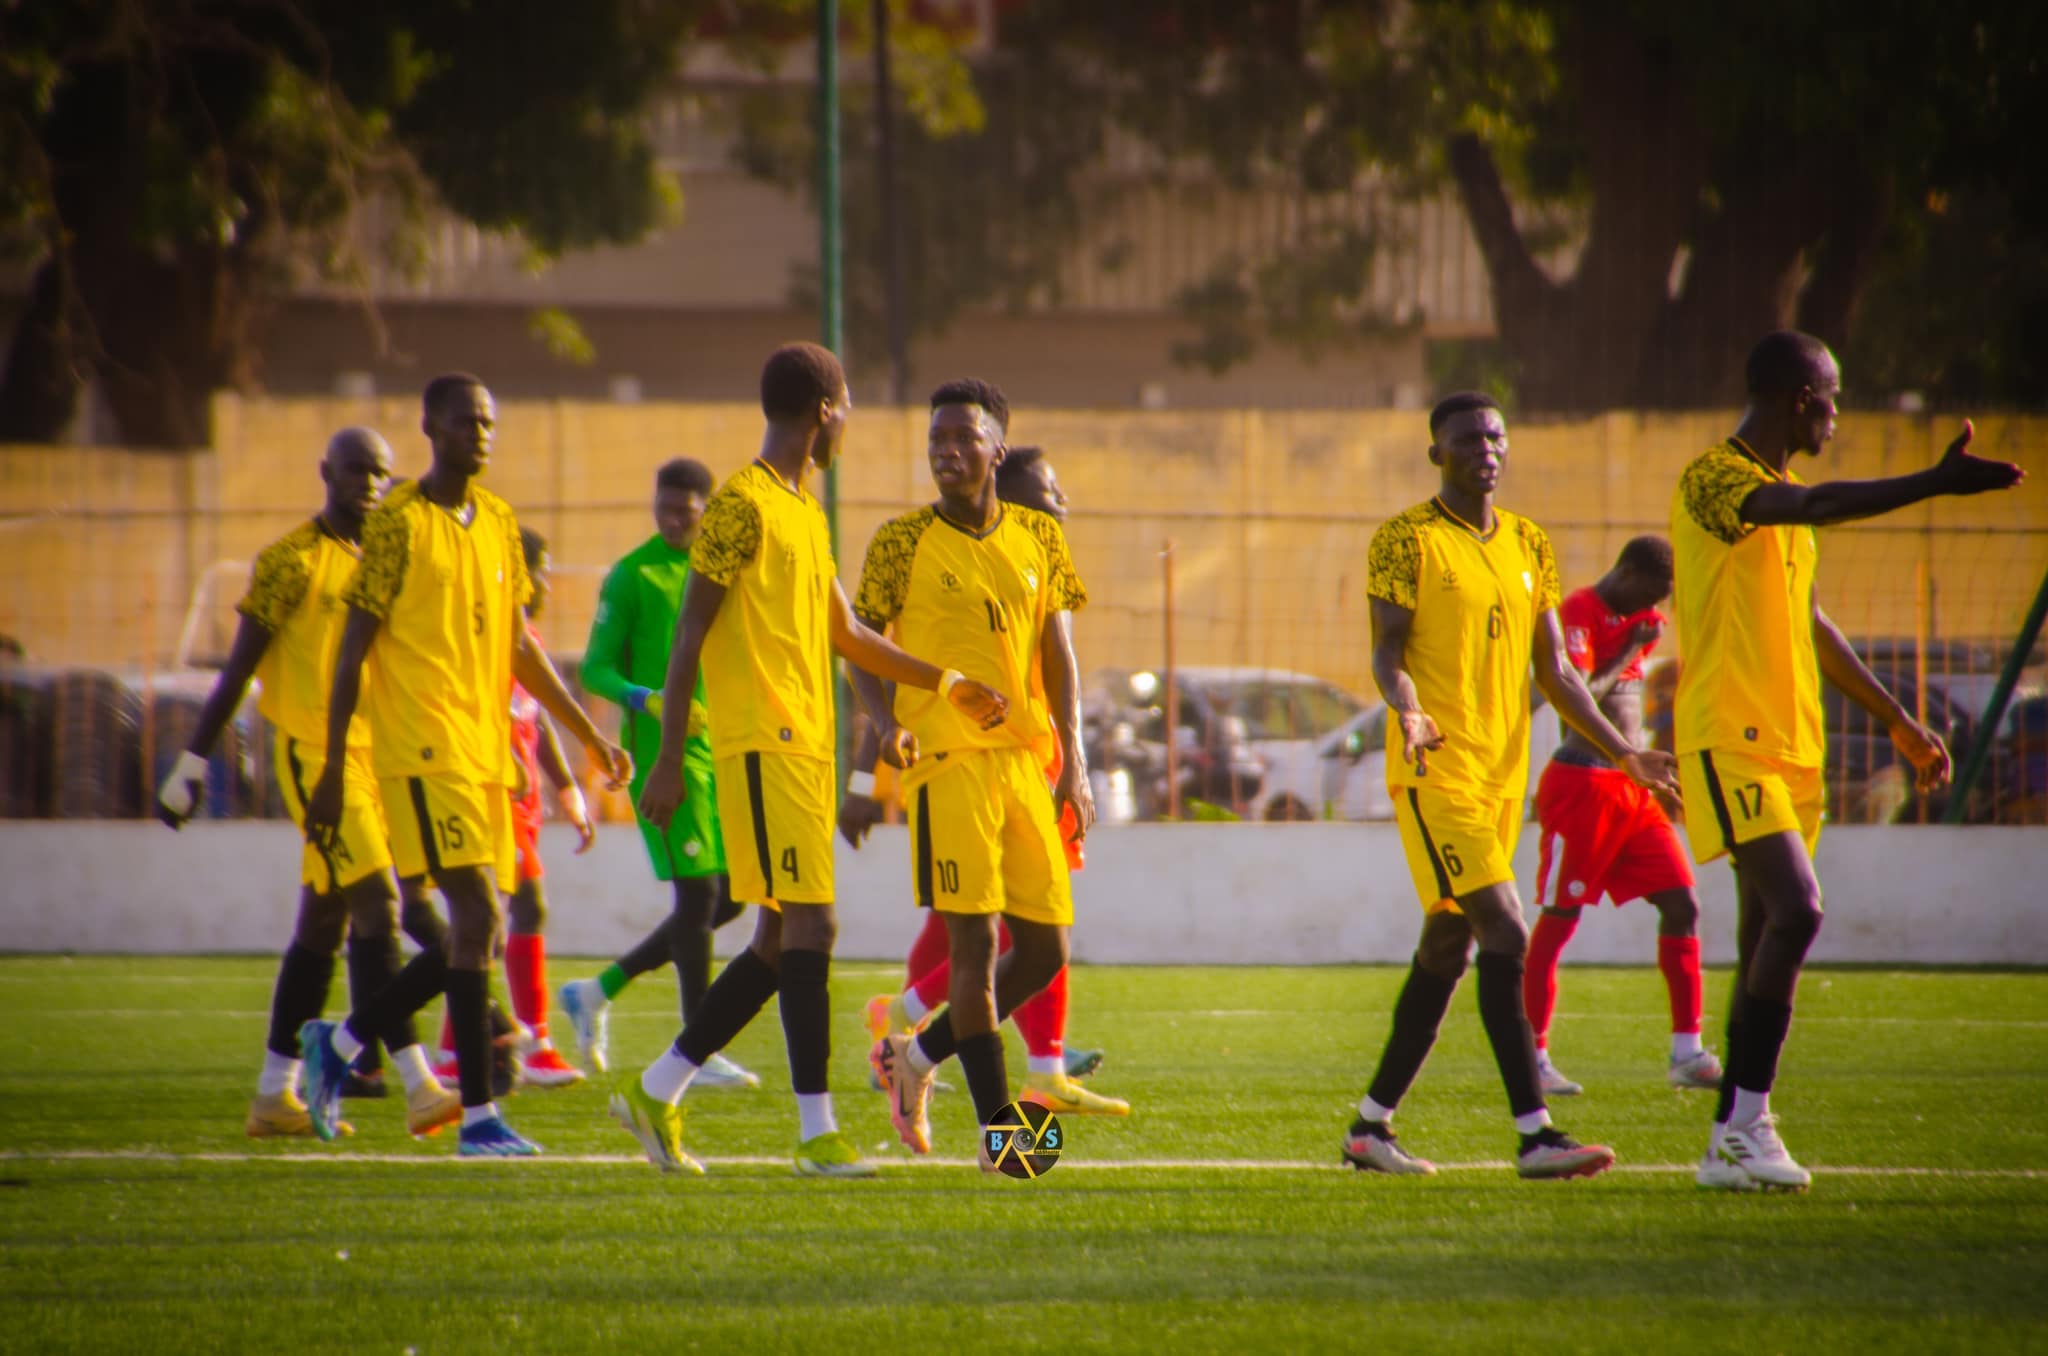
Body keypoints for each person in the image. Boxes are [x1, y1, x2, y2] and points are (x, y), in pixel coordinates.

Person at [610, 342, 1008, 1179]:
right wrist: (670, 759)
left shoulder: (803, 509)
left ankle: (657, 1088)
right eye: (850, 407)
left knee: (773, 942)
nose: (851, 423)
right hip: (760, 746)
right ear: (827, 410)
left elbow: (848, 636)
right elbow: (689, 636)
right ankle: (817, 1133)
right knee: (813, 927)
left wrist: (930, 689)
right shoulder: (741, 505)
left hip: (804, 751)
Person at [1674, 331, 2022, 1191]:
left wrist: (1899, 719)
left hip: (1792, 748)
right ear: (1798, 397)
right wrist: (1935, 484)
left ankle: (1729, 1140)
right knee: (1799, 911)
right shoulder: (1716, 479)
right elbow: (1820, 508)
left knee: (1767, 930)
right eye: (1832, 398)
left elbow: (1811, 624)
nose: (1837, 415)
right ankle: (1749, 1122)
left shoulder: (1782, 497)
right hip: (1730, 737)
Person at [1346, 392, 1680, 1181]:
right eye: (1466, 439)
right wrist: (1410, 708)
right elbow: (1387, 650)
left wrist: (1627, 753)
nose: (1484, 448)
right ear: (1438, 455)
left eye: (1494, 436)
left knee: (1448, 945)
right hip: (1435, 773)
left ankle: (1369, 1129)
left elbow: (1558, 672)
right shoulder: (1405, 540)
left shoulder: (1529, 541)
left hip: (1501, 782)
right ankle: (1536, 1136)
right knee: (1507, 932)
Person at [297, 373, 631, 1157]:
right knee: (477, 916)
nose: (480, 433)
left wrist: (588, 733)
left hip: (485, 759)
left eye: (489, 421)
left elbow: (521, 650)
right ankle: (478, 1120)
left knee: (472, 935)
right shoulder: (398, 525)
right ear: (430, 428)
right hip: (419, 749)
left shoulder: (503, 524)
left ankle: (343, 1045)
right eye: (464, 421)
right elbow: (353, 652)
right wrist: (334, 766)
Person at [156, 429, 462, 1140]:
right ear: (326, 471)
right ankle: (419, 1085)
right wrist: (192, 765)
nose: (371, 483)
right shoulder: (290, 562)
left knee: (322, 924)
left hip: (379, 759)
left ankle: (274, 1093)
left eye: (382, 473)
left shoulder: (388, 560)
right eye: (357, 470)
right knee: (381, 906)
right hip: (315, 762)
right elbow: (237, 671)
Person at [845, 441, 1126, 1116]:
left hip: (1028, 762)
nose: (945, 452)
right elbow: (859, 643)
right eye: (934, 438)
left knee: (1046, 945)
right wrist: (877, 742)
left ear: (993, 451)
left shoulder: (1038, 542)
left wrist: (1076, 765)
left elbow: (1060, 654)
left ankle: (912, 1053)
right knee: (973, 945)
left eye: (961, 438)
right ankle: (1004, 1131)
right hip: (948, 763)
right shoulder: (901, 541)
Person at [556, 458, 756, 1089]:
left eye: (686, 509)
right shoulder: (632, 575)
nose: (673, 519)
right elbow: (593, 670)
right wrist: (646, 698)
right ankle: (696, 1046)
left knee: (738, 893)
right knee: (697, 896)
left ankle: (596, 991)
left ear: (707, 509)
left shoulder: (725, 572)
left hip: (724, 751)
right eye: (663, 507)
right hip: (668, 760)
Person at [1523, 536, 1723, 1095]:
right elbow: (1577, 695)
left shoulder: (1639, 618)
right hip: (1582, 784)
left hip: (1632, 792)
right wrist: (1630, 647)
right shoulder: (1579, 613)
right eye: (1652, 596)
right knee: (1560, 918)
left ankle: (1687, 1051)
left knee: (1682, 902)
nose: (1654, 611)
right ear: (1628, 572)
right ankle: (1532, 1054)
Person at [439, 527, 594, 1088]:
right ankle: (516, 1045)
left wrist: (568, 789)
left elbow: (537, 718)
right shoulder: (487, 637)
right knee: (503, 918)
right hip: (493, 800)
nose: (548, 581)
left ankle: (462, 1049)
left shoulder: (522, 636)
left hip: (521, 805)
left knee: (498, 923)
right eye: (542, 568)